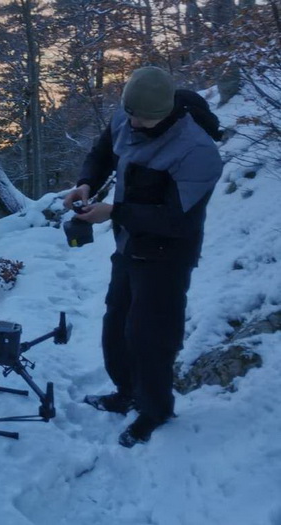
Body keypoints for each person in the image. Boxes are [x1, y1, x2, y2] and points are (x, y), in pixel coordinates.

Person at [63, 66, 223, 447]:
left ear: (167, 112)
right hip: (129, 244)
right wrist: (87, 181)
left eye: (144, 118)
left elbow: (178, 221)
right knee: (116, 323)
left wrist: (114, 213)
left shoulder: (198, 152)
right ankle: (126, 392)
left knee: (151, 336)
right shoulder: (127, 114)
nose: (134, 123)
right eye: (131, 114)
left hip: (168, 254)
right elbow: (102, 151)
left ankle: (155, 409)